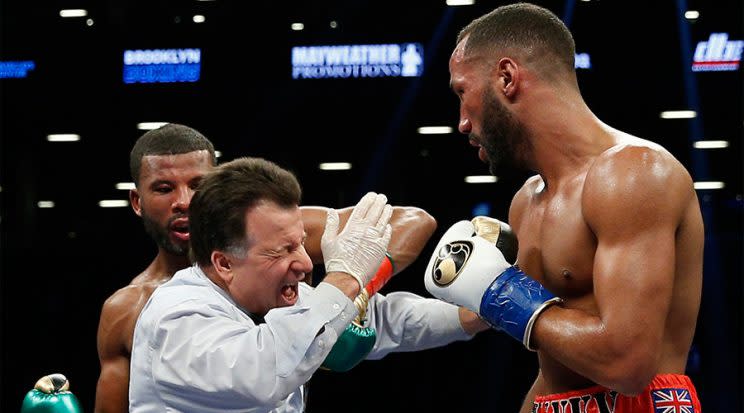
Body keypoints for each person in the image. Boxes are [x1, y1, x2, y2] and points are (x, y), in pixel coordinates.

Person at [429, 3, 704, 412]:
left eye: (461, 92)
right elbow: (557, 377)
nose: (462, 122)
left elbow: (628, 366)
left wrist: (500, 294)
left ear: (507, 78)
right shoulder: (526, 202)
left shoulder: (633, 174)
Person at [94, 124, 473, 412]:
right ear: (224, 262)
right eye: (285, 249)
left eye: (198, 184)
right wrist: (344, 279)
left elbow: (388, 322)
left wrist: (485, 307)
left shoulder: (262, 282)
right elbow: (261, 370)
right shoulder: (173, 315)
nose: (307, 263)